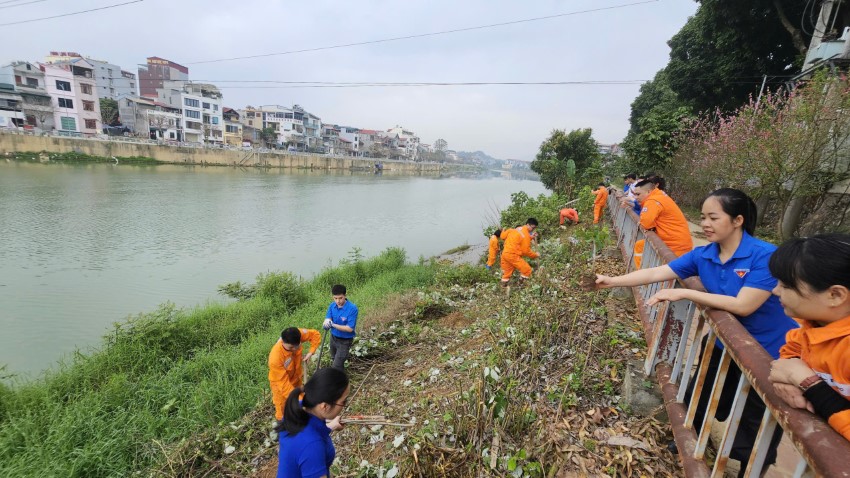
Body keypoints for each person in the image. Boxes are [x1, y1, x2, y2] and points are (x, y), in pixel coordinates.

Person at [595, 188, 796, 474]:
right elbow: (656, 273)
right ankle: (685, 446)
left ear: (737, 220)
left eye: (713, 217)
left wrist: (687, 295)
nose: (705, 224)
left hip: (769, 355)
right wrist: (612, 280)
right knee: (701, 395)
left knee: (756, 421)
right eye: (702, 217)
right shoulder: (704, 255)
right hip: (722, 344)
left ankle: (748, 470)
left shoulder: (764, 256)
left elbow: (744, 305)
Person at [768, 234, 850, 442]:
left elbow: (797, 373)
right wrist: (789, 376)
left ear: (836, 295)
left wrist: (809, 384)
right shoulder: (816, 327)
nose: (775, 290)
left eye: (786, 286)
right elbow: (790, 354)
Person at [275, 367, 349, 478]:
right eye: (343, 401)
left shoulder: (298, 409)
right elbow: (308, 443)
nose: (344, 405)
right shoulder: (312, 446)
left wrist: (330, 426)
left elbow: (305, 436)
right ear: (324, 406)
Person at [631, 176, 692, 268]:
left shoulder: (653, 200)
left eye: (638, 194)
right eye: (634, 194)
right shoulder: (659, 196)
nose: (636, 198)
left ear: (648, 192)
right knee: (640, 246)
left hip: (675, 246)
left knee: (669, 277)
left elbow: (645, 223)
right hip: (676, 242)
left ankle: (643, 276)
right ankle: (642, 273)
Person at [269, 327, 323, 420]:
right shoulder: (276, 357)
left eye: (296, 346)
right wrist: (301, 400)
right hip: (281, 387)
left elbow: (315, 335)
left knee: (300, 405)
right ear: (283, 342)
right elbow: (284, 385)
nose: (294, 349)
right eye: (290, 347)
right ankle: (283, 427)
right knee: (283, 411)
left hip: (297, 379)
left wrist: (311, 352)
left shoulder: (299, 334)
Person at [323, 284, 358, 370]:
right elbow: (328, 318)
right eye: (335, 298)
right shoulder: (332, 306)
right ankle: (341, 377)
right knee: (334, 359)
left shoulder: (352, 309)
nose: (338, 301)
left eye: (340, 298)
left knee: (336, 366)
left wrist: (333, 325)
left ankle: (337, 381)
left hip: (345, 341)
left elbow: (349, 328)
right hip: (333, 338)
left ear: (345, 295)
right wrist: (326, 322)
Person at [499, 218, 539, 287]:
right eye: (533, 227)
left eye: (534, 228)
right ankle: (520, 285)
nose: (533, 230)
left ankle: (503, 287)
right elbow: (526, 251)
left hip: (505, 254)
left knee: (507, 273)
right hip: (513, 255)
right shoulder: (525, 235)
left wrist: (502, 231)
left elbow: (503, 236)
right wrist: (535, 255)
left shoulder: (514, 229)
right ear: (527, 225)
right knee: (527, 270)